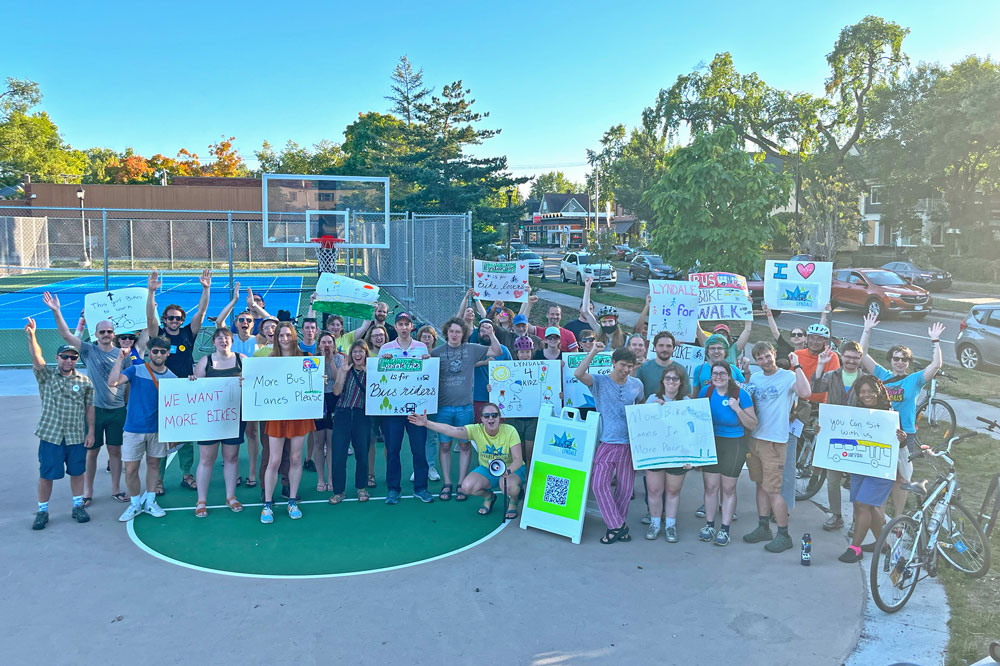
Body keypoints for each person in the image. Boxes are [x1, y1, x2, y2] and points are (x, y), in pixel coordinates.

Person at [43, 291, 128, 506]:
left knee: (115, 451)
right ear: (97, 334)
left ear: (114, 333)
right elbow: (66, 336)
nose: (106, 334)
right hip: (95, 409)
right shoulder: (89, 351)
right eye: (102, 332)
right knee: (91, 452)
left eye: (109, 331)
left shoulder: (123, 355)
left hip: (117, 410)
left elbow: (128, 384)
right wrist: (57, 311)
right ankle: (87, 492)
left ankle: (116, 489)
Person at [860, 314, 945, 518]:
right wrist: (867, 329)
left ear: (908, 362)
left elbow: (936, 366)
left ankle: (898, 519)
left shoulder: (915, 380)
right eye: (896, 358)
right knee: (882, 477)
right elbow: (862, 356)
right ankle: (879, 520)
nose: (900, 362)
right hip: (882, 433)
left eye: (904, 359)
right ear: (890, 360)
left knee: (903, 479)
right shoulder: (882, 376)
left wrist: (935, 342)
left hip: (905, 435)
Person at [145, 267, 211, 494]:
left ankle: (187, 474)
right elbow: (148, 319)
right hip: (161, 390)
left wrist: (206, 289)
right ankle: (159, 479)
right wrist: (151, 292)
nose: (174, 321)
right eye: (170, 318)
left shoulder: (187, 333)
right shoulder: (158, 335)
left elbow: (201, 314)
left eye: (178, 318)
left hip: (184, 390)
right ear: (164, 319)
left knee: (186, 435)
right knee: (162, 436)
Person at [742, 342, 812, 553]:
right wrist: (745, 373)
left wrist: (797, 366)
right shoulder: (755, 378)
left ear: (773, 354)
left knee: (774, 490)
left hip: (775, 442)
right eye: (760, 358)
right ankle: (763, 527)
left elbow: (806, 392)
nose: (765, 361)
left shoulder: (788, 377)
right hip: (755, 439)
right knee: (760, 485)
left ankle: (784, 534)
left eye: (767, 356)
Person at [26, 320, 95, 530]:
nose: (68, 360)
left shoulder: (84, 381)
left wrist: (90, 431)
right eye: (64, 357)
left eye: (73, 357)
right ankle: (42, 510)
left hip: (75, 437)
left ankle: (77, 506)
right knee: (47, 475)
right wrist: (32, 336)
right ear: (57, 358)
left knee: (77, 473)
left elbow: (89, 408)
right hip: (51, 436)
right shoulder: (46, 376)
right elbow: (37, 358)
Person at [573, 342, 644, 544]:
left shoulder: (637, 385)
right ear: (614, 363)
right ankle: (617, 525)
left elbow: (639, 406)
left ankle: (615, 528)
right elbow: (578, 374)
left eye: (630, 366)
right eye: (623, 365)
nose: (626, 369)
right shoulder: (599, 381)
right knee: (598, 484)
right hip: (608, 442)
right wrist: (594, 351)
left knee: (626, 489)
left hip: (630, 444)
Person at [836, 375, 909, 563]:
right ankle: (883, 544)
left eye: (870, 391)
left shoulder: (890, 414)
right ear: (858, 394)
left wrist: (902, 439)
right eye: (862, 392)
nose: (866, 395)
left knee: (862, 504)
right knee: (866, 506)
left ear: (879, 391)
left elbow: (899, 445)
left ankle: (855, 548)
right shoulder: (856, 413)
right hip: (860, 466)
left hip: (881, 468)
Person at [409, 404, 526, 520]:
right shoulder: (476, 430)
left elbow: (518, 460)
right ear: (481, 419)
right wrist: (426, 423)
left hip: (510, 469)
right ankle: (489, 496)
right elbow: (451, 430)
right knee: (466, 487)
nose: (491, 418)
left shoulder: (510, 431)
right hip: (487, 468)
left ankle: (514, 501)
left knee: (508, 487)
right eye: (487, 416)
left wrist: (508, 471)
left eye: (494, 415)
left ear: (499, 418)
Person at [430, 316, 501, 501]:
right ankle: (447, 482)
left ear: (463, 334)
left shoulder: (471, 349)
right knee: (444, 445)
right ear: (446, 333)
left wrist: (491, 333)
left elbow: (497, 350)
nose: (454, 335)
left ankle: (461, 482)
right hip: (443, 407)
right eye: (452, 331)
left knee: (464, 445)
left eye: (458, 332)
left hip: (465, 407)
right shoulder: (436, 353)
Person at [108, 336, 174, 523]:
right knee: (131, 469)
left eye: (163, 351)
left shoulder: (172, 378)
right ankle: (135, 503)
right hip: (133, 429)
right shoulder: (136, 370)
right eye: (155, 351)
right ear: (150, 353)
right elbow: (113, 382)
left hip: (157, 431)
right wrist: (120, 359)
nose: (159, 354)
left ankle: (151, 501)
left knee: (154, 466)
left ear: (168, 353)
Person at [260, 322, 316, 524]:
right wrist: (245, 381)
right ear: (276, 338)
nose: (284, 338)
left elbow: (313, 385)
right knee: (274, 460)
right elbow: (259, 384)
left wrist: (318, 380)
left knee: (295, 458)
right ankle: (267, 504)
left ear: (294, 337)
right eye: (281, 335)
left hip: (299, 414)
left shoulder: (305, 359)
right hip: (277, 414)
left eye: (288, 335)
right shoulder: (270, 360)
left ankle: (292, 500)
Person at [697, 361, 757, 546]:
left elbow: (753, 424)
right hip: (712, 442)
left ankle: (725, 528)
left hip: (734, 443)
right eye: (715, 373)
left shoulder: (740, 394)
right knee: (710, 487)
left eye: (722, 373)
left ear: (730, 375)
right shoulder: (705, 392)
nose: (718, 377)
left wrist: (737, 409)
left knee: (728, 488)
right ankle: (709, 525)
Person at [379, 312, 435, 504]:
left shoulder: (421, 347)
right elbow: (379, 379)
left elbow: (428, 375)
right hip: (393, 410)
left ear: (412, 327)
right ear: (395, 327)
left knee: (419, 449)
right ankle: (393, 489)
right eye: (400, 324)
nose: (404, 327)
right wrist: (382, 362)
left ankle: (421, 487)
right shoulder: (386, 348)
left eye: (407, 324)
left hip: (416, 409)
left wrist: (428, 362)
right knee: (392, 449)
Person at [190, 328, 246, 517]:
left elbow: (255, 383)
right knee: (207, 459)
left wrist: (245, 382)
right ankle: (201, 500)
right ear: (214, 342)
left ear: (232, 341)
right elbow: (196, 389)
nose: (223, 341)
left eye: (227, 338)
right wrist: (192, 381)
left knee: (231, 457)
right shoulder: (206, 361)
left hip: (233, 416)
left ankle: (231, 496)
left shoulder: (242, 360)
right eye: (219, 338)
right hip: (210, 419)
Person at [812, 340, 866, 531]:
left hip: (858, 438)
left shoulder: (865, 379)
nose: (851, 361)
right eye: (847, 357)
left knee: (856, 483)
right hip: (834, 435)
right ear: (841, 357)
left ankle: (856, 522)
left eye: (855, 358)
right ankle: (836, 516)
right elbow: (815, 388)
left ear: (860, 359)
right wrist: (820, 364)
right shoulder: (832, 375)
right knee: (832, 481)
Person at [643, 365, 692, 542]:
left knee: (673, 491)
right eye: (668, 378)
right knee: (654, 490)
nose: (671, 382)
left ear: (681, 382)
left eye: (675, 379)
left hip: (678, 455)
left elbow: (691, 431)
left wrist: (690, 457)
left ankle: (670, 525)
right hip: (655, 453)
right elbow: (642, 427)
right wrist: (652, 410)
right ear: (663, 381)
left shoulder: (686, 401)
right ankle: (655, 523)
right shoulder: (652, 399)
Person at [330, 340, 372, 504]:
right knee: (339, 454)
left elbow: (375, 395)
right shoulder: (345, 370)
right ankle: (338, 491)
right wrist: (342, 373)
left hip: (362, 414)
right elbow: (336, 392)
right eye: (354, 352)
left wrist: (371, 375)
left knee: (362, 453)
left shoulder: (371, 371)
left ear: (365, 354)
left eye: (361, 351)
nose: (357, 355)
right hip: (343, 414)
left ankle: (362, 487)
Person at [503, 336, 541, 462]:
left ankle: (528, 480)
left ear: (531, 352)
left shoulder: (539, 367)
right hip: (514, 417)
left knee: (530, 452)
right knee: (517, 453)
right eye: (522, 352)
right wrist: (492, 387)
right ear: (517, 353)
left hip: (532, 417)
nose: (525, 355)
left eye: (527, 352)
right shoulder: (510, 369)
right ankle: (516, 477)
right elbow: (501, 387)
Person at [311, 331, 340, 492]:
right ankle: (320, 478)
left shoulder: (339, 358)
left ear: (334, 345)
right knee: (318, 442)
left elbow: (337, 378)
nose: (326, 345)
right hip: (318, 401)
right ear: (319, 344)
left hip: (333, 399)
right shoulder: (312, 359)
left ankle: (330, 478)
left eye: (329, 342)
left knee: (331, 443)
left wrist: (330, 361)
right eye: (323, 342)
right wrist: (321, 359)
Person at [415, 326, 443, 482]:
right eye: (423, 336)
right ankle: (418, 467)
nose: (426, 339)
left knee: (431, 436)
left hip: (433, 401)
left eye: (429, 336)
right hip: (416, 401)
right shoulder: (413, 354)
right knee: (417, 436)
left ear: (434, 339)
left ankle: (430, 466)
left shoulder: (439, 355)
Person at [471, 319, 511, 422]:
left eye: (489, 329)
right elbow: (466, 365)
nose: (486, 333)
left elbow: (512, 370)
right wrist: (485, 362)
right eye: (482, 330)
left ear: (494, 332)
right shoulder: (474, 349)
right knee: (479, 430)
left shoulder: (504, 350)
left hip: (499, 398)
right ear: (479, 333)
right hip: (478, 397)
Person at [762, 303, 830, 357]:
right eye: (793, 335)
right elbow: (775, 332)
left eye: (799, 334)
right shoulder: (787, 349)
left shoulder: (812, 348)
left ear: (806, 338)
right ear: (791, 338)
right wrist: (769, 313)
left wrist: (824, 313)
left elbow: (819, 330)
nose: (796, 336)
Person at [580, 277, 626, 349]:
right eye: (604, 322)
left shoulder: (625, 339)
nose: (607, 324)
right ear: (600, 323)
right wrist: (587, 286)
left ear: (616, 321)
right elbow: (586, 311)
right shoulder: (600, 332)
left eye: (610, 321)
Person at [637, 331, 677, 398]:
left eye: (669, 346)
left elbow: (686, 395)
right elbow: (635, 392)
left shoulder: (680, 369)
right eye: (661, 345)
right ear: (654, 347)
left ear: (673, 348)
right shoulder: (643, 368)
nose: (665, 349)